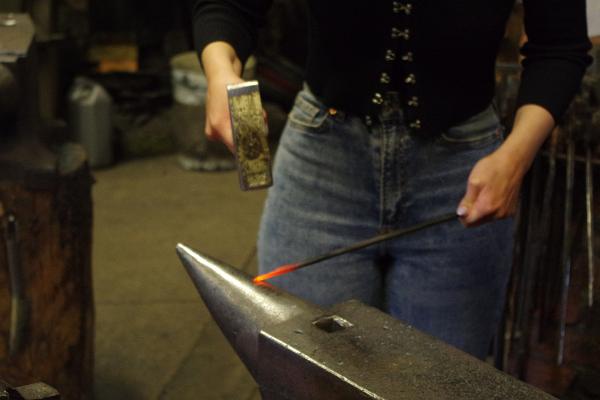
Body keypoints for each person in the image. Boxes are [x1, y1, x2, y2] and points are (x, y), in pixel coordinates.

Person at [191, 0, 592, 359]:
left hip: (464, 174)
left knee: (439, 383)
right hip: (323, 163)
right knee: (304, 374)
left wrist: (516, 158)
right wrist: (220, 71)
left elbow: (559, 46)